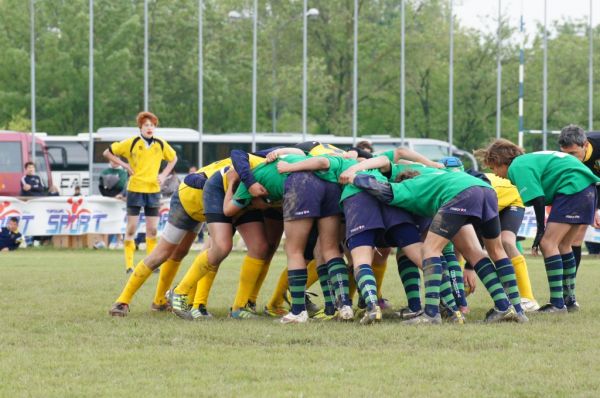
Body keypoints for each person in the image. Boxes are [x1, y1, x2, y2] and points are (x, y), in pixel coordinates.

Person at [345, 163, 526, 324]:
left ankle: (431, 314)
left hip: (459, 196)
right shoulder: (432, 174)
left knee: (430, 249)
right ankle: (511, 308)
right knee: (488, 250)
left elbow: (385, 191)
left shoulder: (409, 186)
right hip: (485, 190)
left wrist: (356, 178)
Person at [479, 138, 600, 313]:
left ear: (500, 160)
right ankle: (569, 300)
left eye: (494, 167)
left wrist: (540, 232)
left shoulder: (517, 166)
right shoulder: (528, 160)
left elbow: (537, 198)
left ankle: (557, 303)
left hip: (572, 188)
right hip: (587, 189)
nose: (496, 174)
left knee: (547, 243)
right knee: (563, 245)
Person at [103, 111, 178, 273]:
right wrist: (125, 165)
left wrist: (164, 175)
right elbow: (107, 152)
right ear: (140, 127)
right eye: (146, 125)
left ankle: (151, 264)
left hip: (153, 191)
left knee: (152, 230)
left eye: (152, 125)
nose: (149, 128)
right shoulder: (131, 142)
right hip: (135, 190)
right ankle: (129, 265)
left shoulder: (160, 144)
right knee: (131, 228)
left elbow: (173, 158)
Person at [558, 124, 600, 275]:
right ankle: (568, 287)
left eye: (574, 153)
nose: (570, 159)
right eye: (566, 154)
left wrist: (597, 208)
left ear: (586, 145)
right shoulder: (564, 156)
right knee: (575, 234)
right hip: (585, 186)